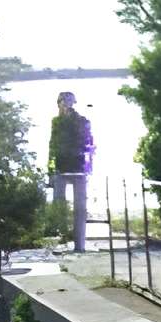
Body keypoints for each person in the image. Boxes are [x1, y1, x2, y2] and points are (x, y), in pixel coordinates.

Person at [47, 92, 93, 250]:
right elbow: (52, 146)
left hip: (76, 168)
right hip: (63, 168)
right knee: (61, 206)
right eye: (62, 102)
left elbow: (89, 145)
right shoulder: (57, 122)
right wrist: (50, 170)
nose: (64, 105)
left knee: (78, 208)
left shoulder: (81, 121)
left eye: (66, 102)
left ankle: (79, 245)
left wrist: (88, 167)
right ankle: (66, 241)